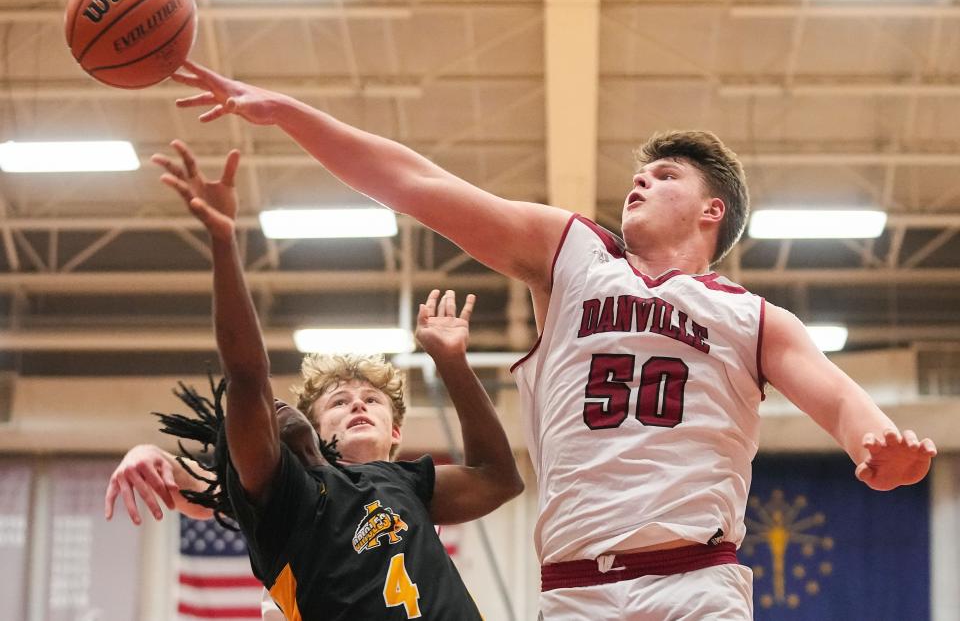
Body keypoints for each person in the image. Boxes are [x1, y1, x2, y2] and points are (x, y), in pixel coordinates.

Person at [168, 61, 937, 619]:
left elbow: (837, 395)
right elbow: (419, 183)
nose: (639, 181)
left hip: (695, 580)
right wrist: (294, 114)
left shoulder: (754, 316)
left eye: (664, 175)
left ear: (713, 211)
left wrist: (878, 443)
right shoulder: (571, 254)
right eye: (640, 173)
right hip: (575, 588)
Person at [105, 140, 523, 619]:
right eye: (339, 401)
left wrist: (451, 362)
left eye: (371, 399)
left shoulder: (402, 482)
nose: (358, 405)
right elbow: (244, 384)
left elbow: (499, 480)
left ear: (396, 433)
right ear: (318, 430)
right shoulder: (287, 492)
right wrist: (152, 455)